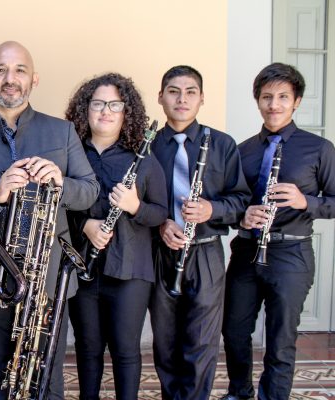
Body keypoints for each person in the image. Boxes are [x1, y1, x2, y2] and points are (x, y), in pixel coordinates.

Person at [0, 41, 99, 399]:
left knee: (47, 378)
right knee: (2, 377)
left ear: (34, 79)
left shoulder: (63, 132)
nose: (10, 79)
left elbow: (89, 191)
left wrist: (60, 181)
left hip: (47, 281)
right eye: (0, 70)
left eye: (19, 70)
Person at [221, 63, 335, 400]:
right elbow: (229, 205)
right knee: (234, 332)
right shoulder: (242, 151)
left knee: (280, 337)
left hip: (292, 254)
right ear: (257, 100)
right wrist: (241, 216)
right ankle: (239, 392)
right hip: (246, 252)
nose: (274, 104)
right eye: (267, 97)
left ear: (296, 101)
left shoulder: (319, 149)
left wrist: (305, 201)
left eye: (283, 97)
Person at [148, 65, 250, 400]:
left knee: (202, 343)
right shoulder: (147, 147)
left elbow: (241, 202)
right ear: (160, 96)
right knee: (165, 344)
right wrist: (161, 222)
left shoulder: (221, 144)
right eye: (173, 91)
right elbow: (138, 202)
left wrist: (212, 209)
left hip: (205, 252)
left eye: (191, 91)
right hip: (159, 253)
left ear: (202, 98)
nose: (182, 99)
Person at [65, 73, 168, 399]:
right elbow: (55, 206)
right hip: (83, 267)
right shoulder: (71, 155)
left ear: (126, 111)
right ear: (85, 110)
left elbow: (160, 214)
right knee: (87, 347)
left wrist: (135, 205)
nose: (105, 111)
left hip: (130, 271)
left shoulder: (145, 161)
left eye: (114, 104)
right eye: (97, 104)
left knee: (125, 351)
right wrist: (85, 225)